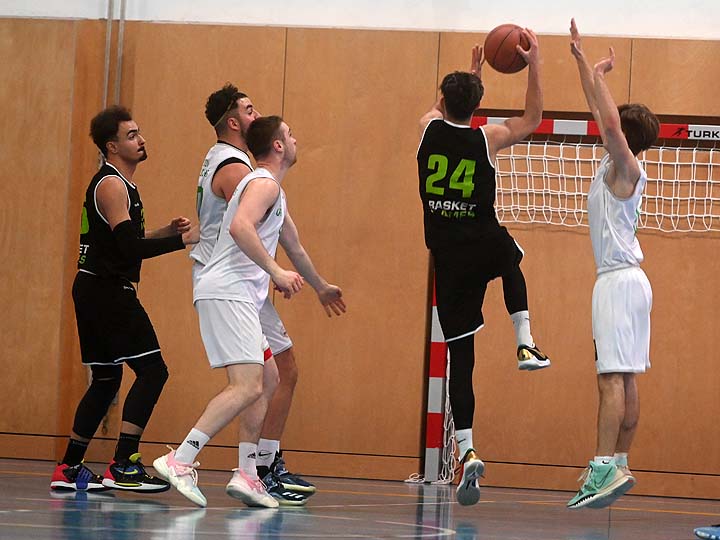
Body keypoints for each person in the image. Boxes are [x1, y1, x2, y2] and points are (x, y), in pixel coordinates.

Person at [154, 115, 329, 508]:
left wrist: (321, 287)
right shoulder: (264, 184)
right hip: (227, 291)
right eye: (291, 134)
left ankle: (248, 475)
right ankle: (180, 459)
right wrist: (276, 271)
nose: (296, 139)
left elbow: (296, 247)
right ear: (278, 145)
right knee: (247, 385)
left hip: (238, 295)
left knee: (268, 378)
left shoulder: (272, 190)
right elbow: (239, 227)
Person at [417, 33, 548, 506]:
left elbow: (441, 109)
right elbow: (533, 118)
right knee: (512, 258)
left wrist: (470, 78)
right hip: (481, 240)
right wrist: (534, 64)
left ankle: (467, 449)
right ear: (477, 105)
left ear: (444, 99)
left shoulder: (427, 130)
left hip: (447, 258)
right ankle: (524, 341)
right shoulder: (486, 138)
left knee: (461, 357)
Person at [50, 105, 199, 492]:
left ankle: (69, 468)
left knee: (106, 379)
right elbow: (130, 250)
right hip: (106, 290)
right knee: (153, 371)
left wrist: (164, 232)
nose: (141, 139)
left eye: (139, 132)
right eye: (132, 135)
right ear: (112, 146)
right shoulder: (112, 185)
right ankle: (124, 463)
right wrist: (181, 241)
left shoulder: (118, 185)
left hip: (93, 287)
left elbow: (123, 241)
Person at [566, 19, 659, 509]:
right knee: (627, 376)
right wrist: (584, 62)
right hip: (631, 282)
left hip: (619, 282)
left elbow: (607, 123)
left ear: (625, 134)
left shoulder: (628, 167)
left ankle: (603, 466)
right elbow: (598, 113)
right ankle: (619, 461)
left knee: (611, 379)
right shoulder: (616, 164)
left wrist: (599, 76)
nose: (606, 126)